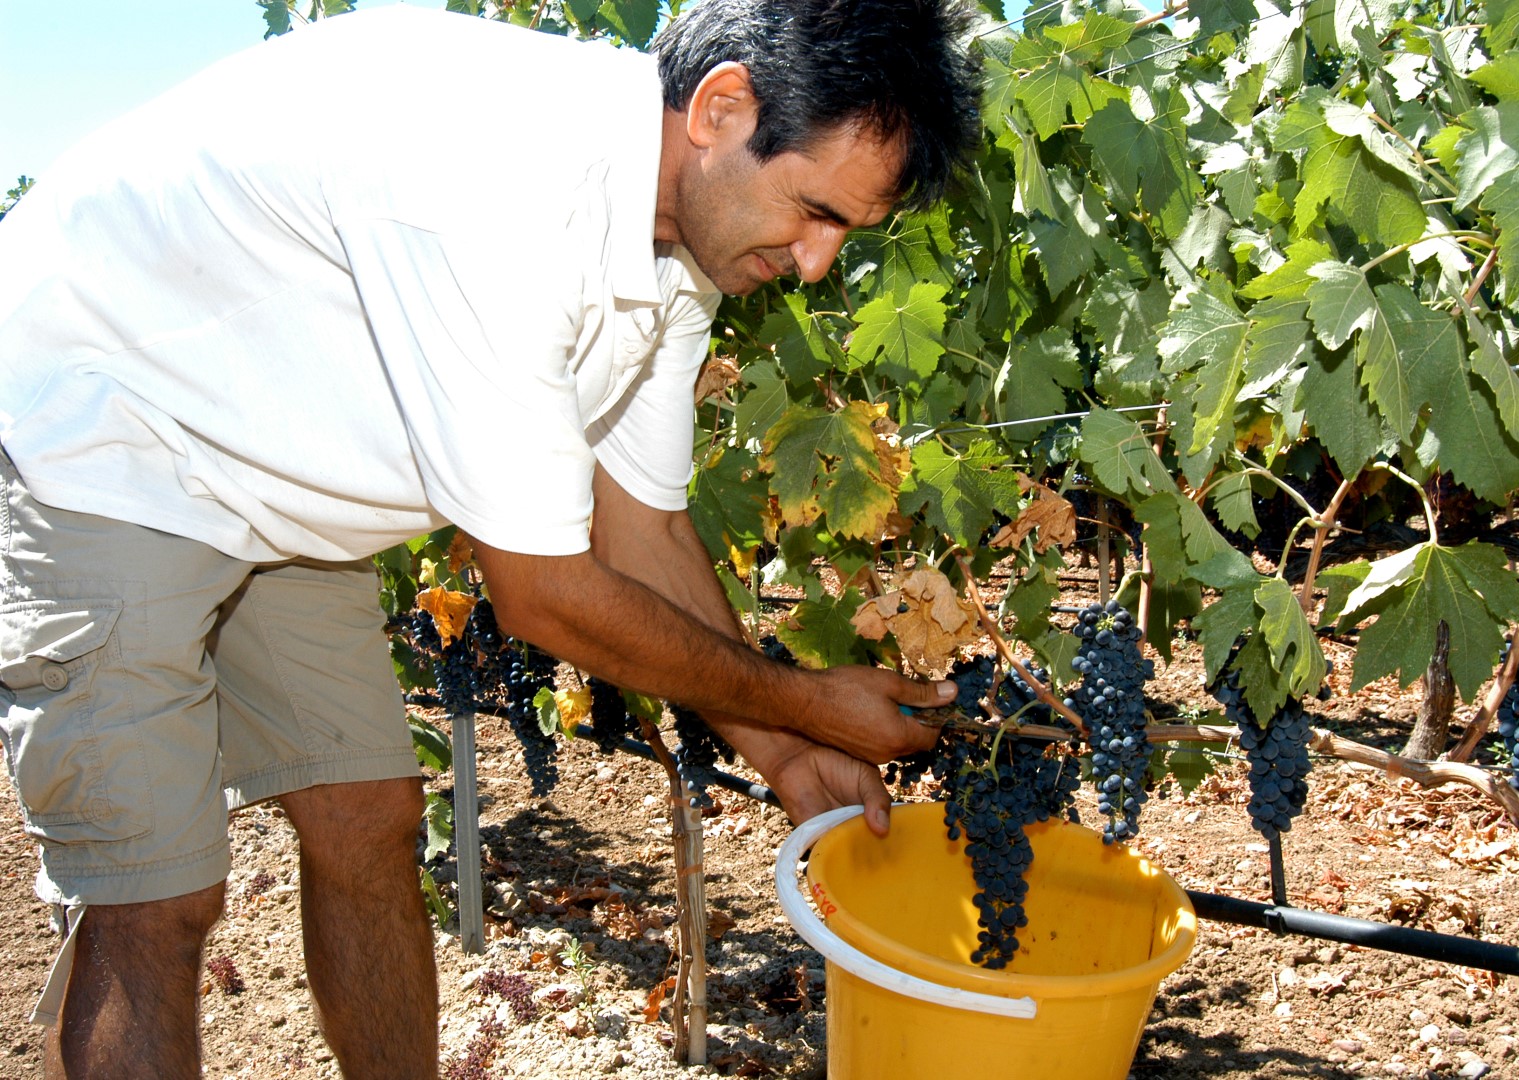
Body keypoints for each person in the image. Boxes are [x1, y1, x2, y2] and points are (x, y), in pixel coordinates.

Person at [0, 0, 982, 1076]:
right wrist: (801, 698)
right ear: (720, 108)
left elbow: (639, 525)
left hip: (274, 472)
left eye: (846, 232)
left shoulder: (676, 243)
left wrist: (786, 749)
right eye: (812, 211)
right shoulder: (500, 179)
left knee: (370, 818)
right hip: (104, 436)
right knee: (159, 894)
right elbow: (545, 594)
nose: (814, 264)